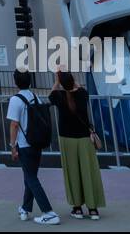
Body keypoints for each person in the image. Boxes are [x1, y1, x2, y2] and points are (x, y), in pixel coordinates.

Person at [49, 71, 104, 220]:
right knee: (88, 171)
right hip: (84, 138)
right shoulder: (82, 94)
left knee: (72, 172)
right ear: (73, 80)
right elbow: (78, 88)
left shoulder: (58, 96)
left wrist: (57, 81)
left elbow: (52, 94)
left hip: (67, 138)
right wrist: (71, 80)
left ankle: (77, 207)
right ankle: (93, 209)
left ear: (61, 83)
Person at [7, 69, 59, 225]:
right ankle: (25, 208)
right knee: (30, 176)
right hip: (37, 142)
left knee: (31, 178)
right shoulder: (35, 97)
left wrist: (12, 146)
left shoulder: (15, 100)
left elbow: (14, 124)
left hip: (24, 144)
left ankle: (48, 211)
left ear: (15, 82)